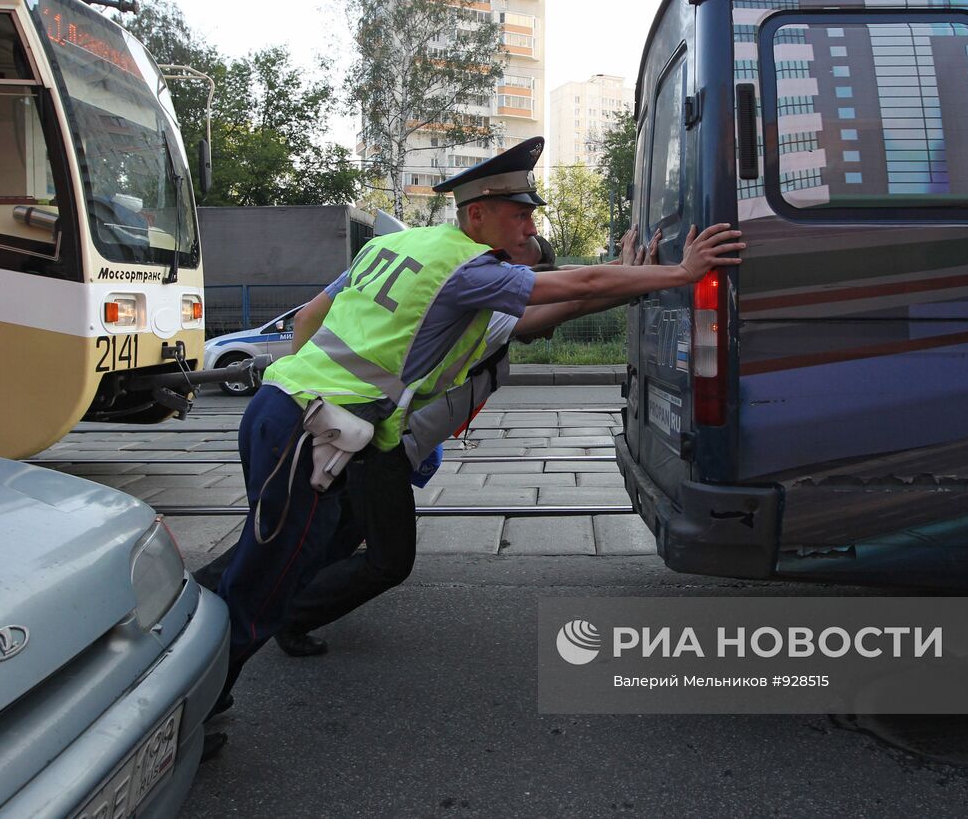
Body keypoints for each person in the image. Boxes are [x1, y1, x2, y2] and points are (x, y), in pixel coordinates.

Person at [208, 135, 742, 735]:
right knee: (266, 580)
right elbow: (572, 288)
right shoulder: (466, 268)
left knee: (282, 551)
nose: (530, 226)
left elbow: (309, 318)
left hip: (283, 413)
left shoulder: (397, 244)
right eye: (520, 214)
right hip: (310, 432)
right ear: (476, 213)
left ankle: (199, 616)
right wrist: (682, 271)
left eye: (532, 215)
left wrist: (310, 388)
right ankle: (194, 701)